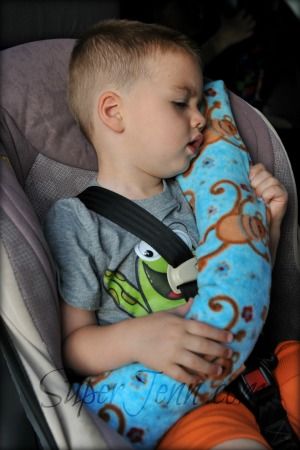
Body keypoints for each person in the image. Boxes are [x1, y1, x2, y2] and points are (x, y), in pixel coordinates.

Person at [44, 19, 299, 450]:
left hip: (260, 365)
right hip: (181, 403)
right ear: (113, 112)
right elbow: (74, 345)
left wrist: (266, 227)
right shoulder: (79, 220)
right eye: (181, 103)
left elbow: (241, 286)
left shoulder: (202, 192)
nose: (200, 119)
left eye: (201, 103)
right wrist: (138, 338)